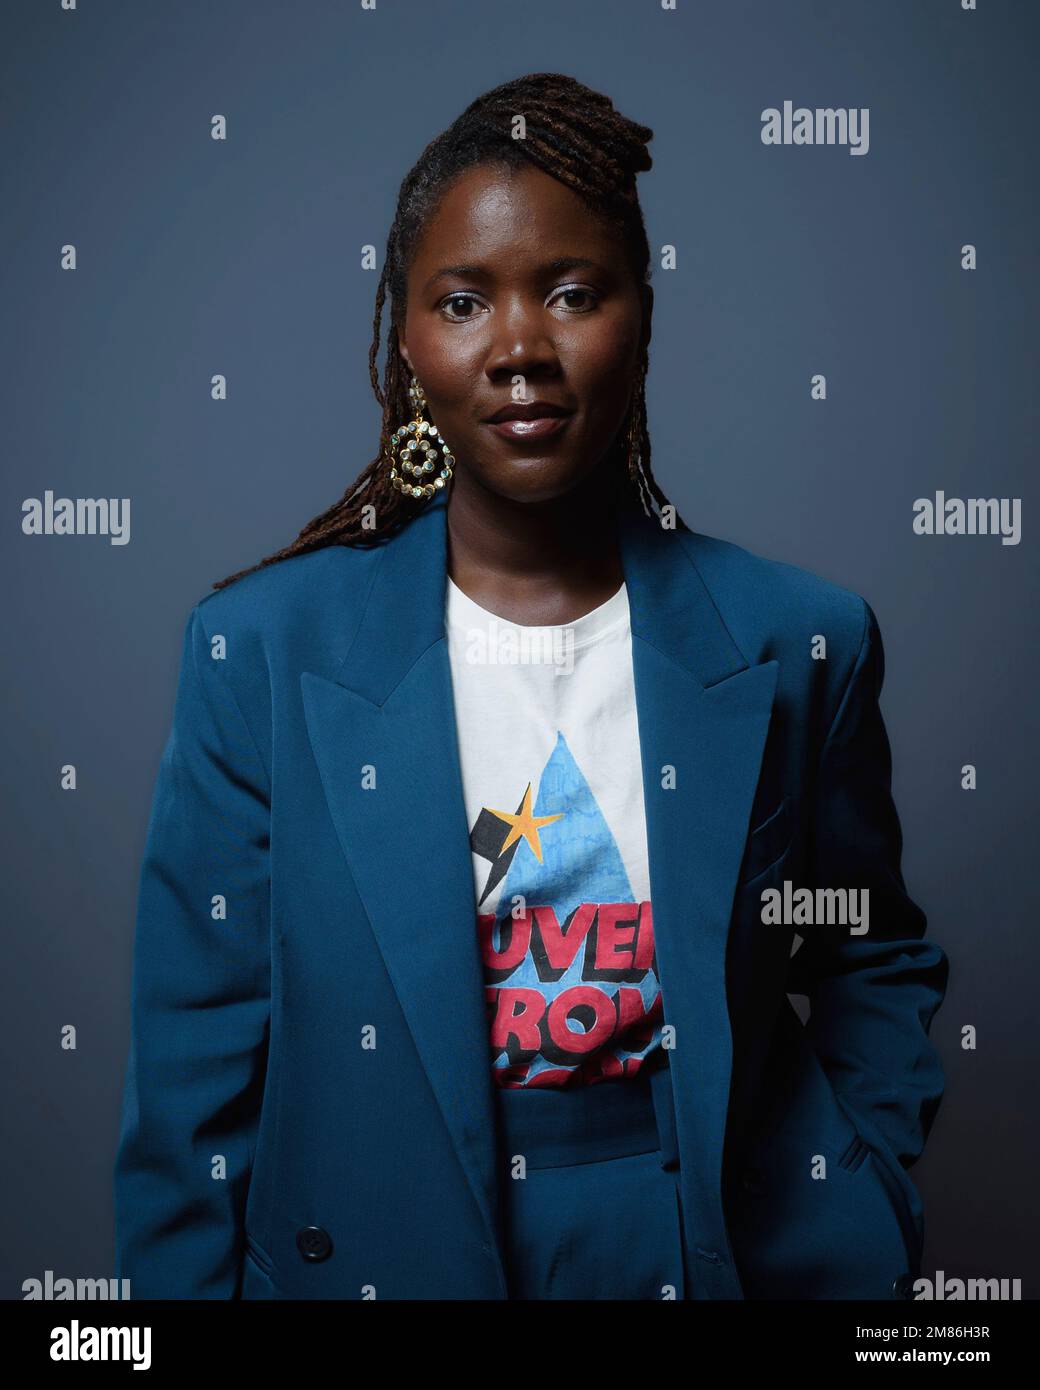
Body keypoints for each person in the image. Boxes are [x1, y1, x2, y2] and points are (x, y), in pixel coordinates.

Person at [113, 72, 948, 1300]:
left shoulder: (795, 639)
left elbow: (859, 945)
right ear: (406, 342)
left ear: (641, 317)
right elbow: (194, 1059)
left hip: (711, 1248)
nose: (517, 349)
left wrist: (861, 1190)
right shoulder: (264, 654)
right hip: (390, 1253)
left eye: (570, 292)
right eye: (462, 301)